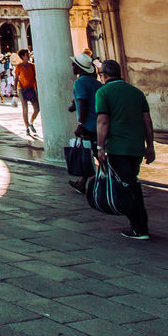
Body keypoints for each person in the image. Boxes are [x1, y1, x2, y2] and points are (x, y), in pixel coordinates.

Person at [95, 59, 156, 240]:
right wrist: (150, 145)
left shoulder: (103, 92)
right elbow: (147, 121)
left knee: (127, 187)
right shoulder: (136, 93)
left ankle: (139, 227)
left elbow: (103, 122)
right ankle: (139, 225)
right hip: (136, 148)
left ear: (104, 75)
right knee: (131, 182)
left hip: (117, 147)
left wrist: (100, 147)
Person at [69, 51, 101, 192]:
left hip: (88, 125)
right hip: (100, 124)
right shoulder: (97, 83)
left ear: (79, 68)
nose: (72, 67)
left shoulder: (79, 82)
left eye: (74, 65)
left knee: (92, 153)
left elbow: (82, 102)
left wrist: (81, 124)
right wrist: (73, 105)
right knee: (93, 152)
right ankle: (81, 183)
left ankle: (111, 179)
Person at [13, 49, 40, 136]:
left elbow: (36, 78)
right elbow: (16, 79)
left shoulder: (33, 66)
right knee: (25, 109)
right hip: (22, 89)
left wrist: (37, 90)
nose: (28, 56)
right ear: (23, 56)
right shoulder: (19, 66)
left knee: (37, 109)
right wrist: (14, 92)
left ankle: (31, 122)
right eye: (26, 54)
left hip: (31, 89)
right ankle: (27, 127)